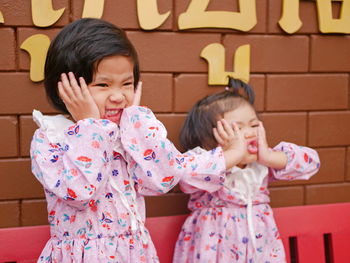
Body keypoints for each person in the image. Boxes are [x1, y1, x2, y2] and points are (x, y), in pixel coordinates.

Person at [30, 18, 240, 263]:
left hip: (134, 253)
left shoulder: (130, 135)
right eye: (103, 84)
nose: (119, 96)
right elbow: (79, 192)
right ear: (65, 86)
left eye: (127, 84)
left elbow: (163, 178)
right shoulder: (50, 137)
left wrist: (137, 120)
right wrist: (91, 126)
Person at [173, 77, 320, 263]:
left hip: (261, 251)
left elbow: (312, 162)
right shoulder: (207, 164)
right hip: (214, 250)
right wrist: (231, 154)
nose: (250, 132)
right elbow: (183, 177)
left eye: (253, 125)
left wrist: (269, 157)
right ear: (210, 138)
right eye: (237, 128)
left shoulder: (261, 166)